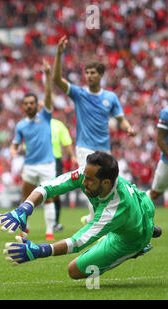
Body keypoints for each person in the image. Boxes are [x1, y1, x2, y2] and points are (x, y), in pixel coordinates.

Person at [0, 151, 160, 279]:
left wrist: (40, 251)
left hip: (131, 238)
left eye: (89, 180)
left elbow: (78, 242)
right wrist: (25, 208)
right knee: (113, 221)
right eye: (85, 176)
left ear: (106, 183)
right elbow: (51, 186)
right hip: (142, 204)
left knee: (74, 270)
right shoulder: (89, 174)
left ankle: (140, 245)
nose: (83, 182)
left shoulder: (115, 208)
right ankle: (143, 227)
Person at [53, 35, 136, 224]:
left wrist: (128, 128)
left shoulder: (110, 97)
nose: (89, 75)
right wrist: (59, 54)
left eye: (93, 73)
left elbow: (121, 119)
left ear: (100, 75)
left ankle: (93, 218)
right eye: (87, 73)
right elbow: (57, 79)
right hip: (84, 147)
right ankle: (96, 223)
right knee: (90, 184)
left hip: (104, 149)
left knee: (110, 186)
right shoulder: (79, 94)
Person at [9, 59, 56, 240]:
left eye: (32, 103)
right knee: (27, 198)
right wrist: (13, 150)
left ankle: (49, 232)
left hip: (47, 164)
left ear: (37, 105)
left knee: (48, 198)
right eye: (26, 103)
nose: (29, 105)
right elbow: (16, 142)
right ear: (23, 106)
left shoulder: (45, 116)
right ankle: (25, 229)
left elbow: (49, 95)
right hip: (30, 165)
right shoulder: (21, 125)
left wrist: (47, 75)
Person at [50, 118, 78, 232]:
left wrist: (72, 156)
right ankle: (25, 224)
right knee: (29, 190)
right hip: (37, 161)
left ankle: (55, 222)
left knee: (55, 191)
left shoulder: (58, 125)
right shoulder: (35, 123)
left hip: (55, 160)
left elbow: (66, 143)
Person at [149, 105, 168, 203]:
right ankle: (137, 212)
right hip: (167, 162)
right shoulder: (167, 112)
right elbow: (160, 139)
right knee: (155, 193)